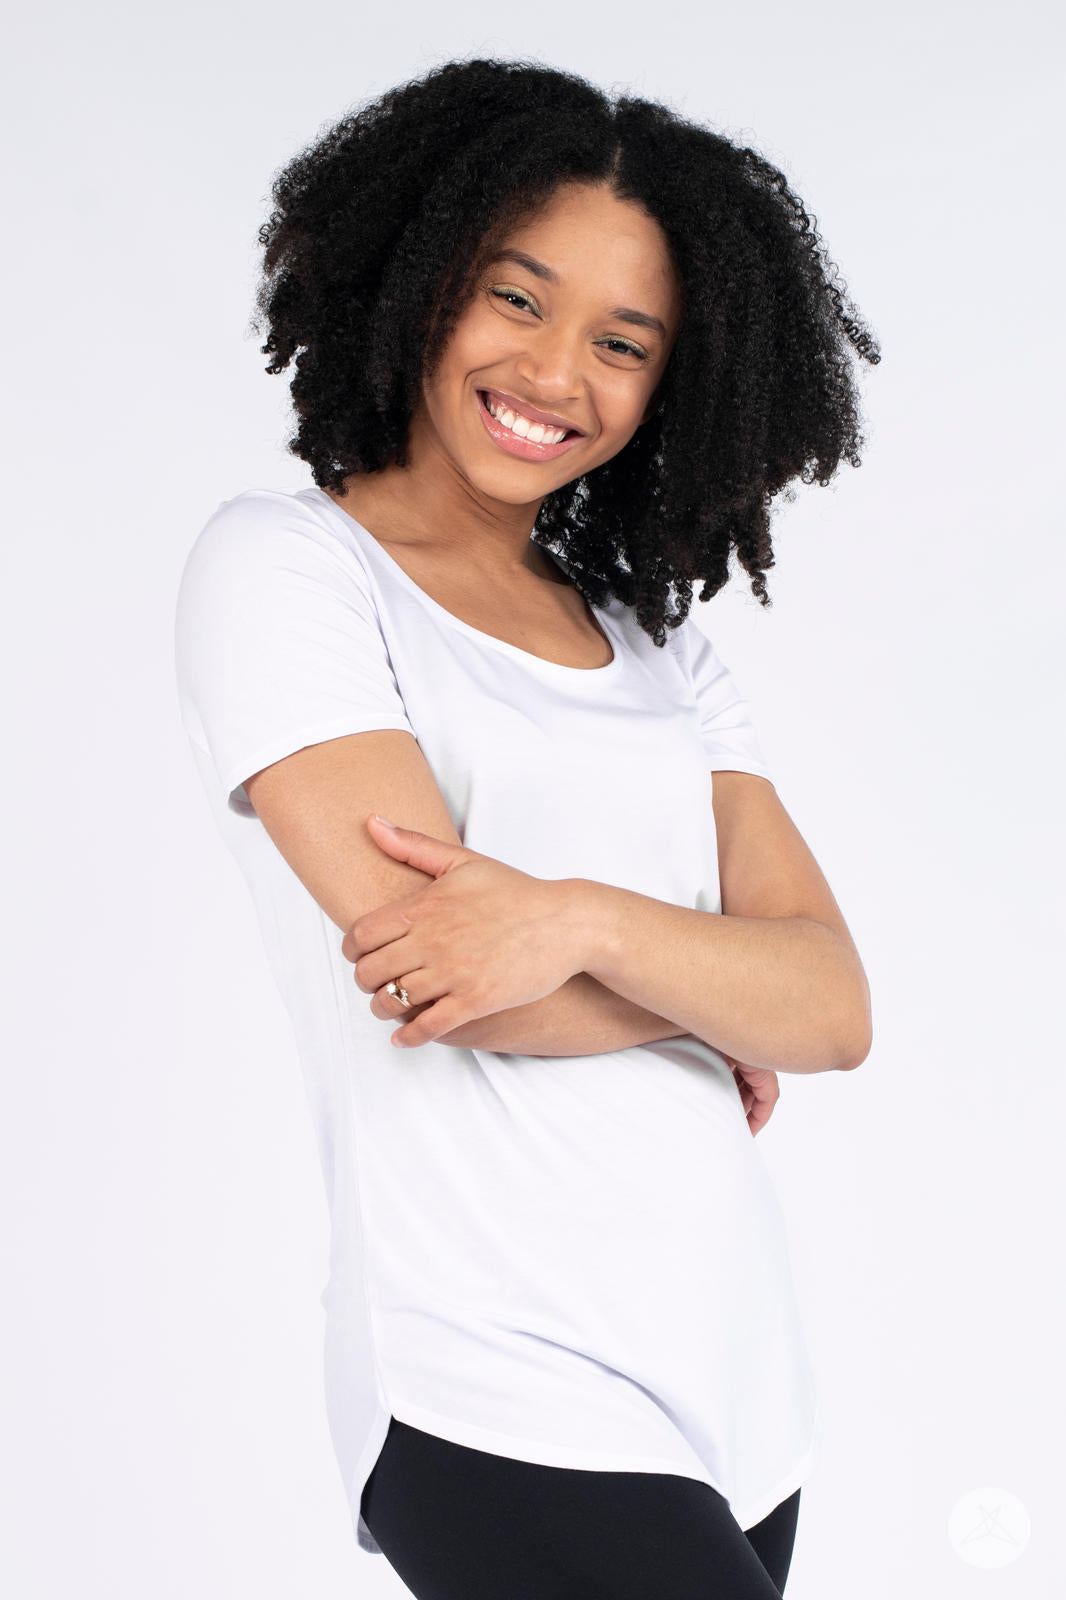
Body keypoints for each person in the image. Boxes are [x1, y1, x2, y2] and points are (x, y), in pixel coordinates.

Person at [173, 56, 878, 1598]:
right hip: (492, 1371)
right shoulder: (293, 574)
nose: (557, 373)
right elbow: (442, 975)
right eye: (516, 297)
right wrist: (707, 995)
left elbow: (830, 1008)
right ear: (422, 281)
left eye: (622, 342)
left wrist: (578, 919)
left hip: (733, 1383)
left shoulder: (655, 645)